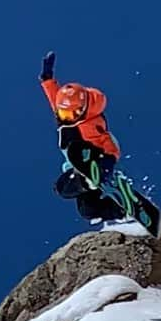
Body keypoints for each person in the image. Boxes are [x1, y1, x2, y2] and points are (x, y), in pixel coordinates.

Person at [39, 50, 126, 222]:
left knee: (62, 188)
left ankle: (92, 179)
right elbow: (53, 97)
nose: (65, 118)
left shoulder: (91, 124)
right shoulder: (65, 117)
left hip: (97, 158)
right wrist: (47, 77)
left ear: (83, 110)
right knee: (87, 210)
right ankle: (121, 213)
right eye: (63, 113)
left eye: (70, 115)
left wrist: (108, 162)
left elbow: (108, 143)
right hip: (77, 165)